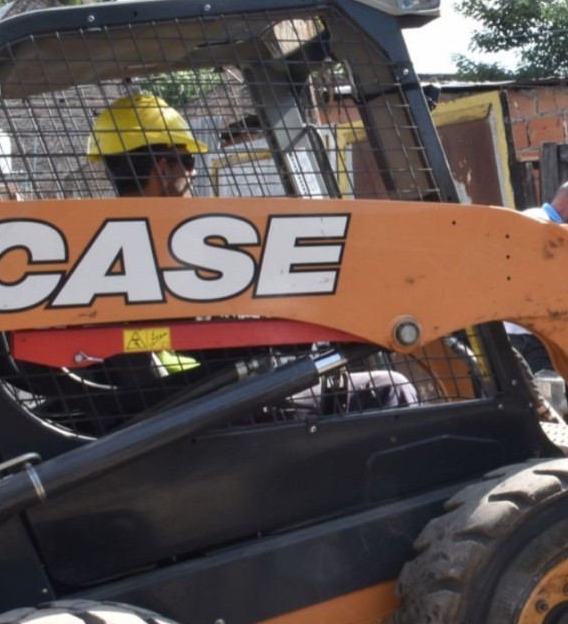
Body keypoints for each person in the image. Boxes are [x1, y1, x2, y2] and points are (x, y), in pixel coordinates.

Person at [87, 93, 418, 412]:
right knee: (390, 388)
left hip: (167, 405)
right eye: (188, 160)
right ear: (163, 168)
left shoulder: (98, 248)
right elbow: (229, 343)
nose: (194, 171)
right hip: (216, 408)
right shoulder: (164, 246)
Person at [507, 179, 568, 373]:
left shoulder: (550, 226)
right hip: (528, 334)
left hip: (535, 332)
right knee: (543, 387)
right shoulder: (538, 222)